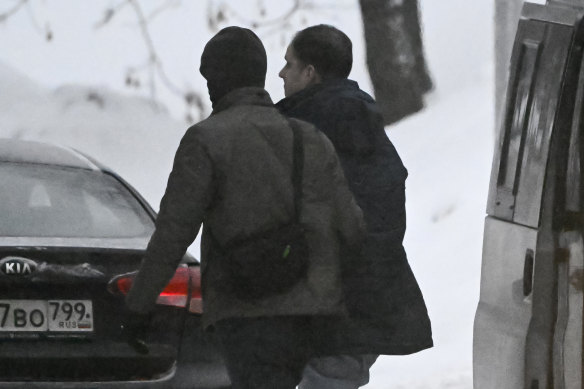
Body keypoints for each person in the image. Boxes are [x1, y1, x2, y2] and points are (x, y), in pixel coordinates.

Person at [122, 26, 366, 389]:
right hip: (316, 314)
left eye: (210, 77)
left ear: (220, 78)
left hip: (248, 313)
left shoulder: (205, 141)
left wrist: (138, 306)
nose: (207, 87)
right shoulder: (309, 137)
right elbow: (352, 227)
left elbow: (173, 233)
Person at [276, 24, 433, 389]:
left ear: (310, 73)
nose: (281, 73)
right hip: (369, 294)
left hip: (327, 301)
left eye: (289, 63)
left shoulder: (307, 129)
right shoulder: (364, 122)